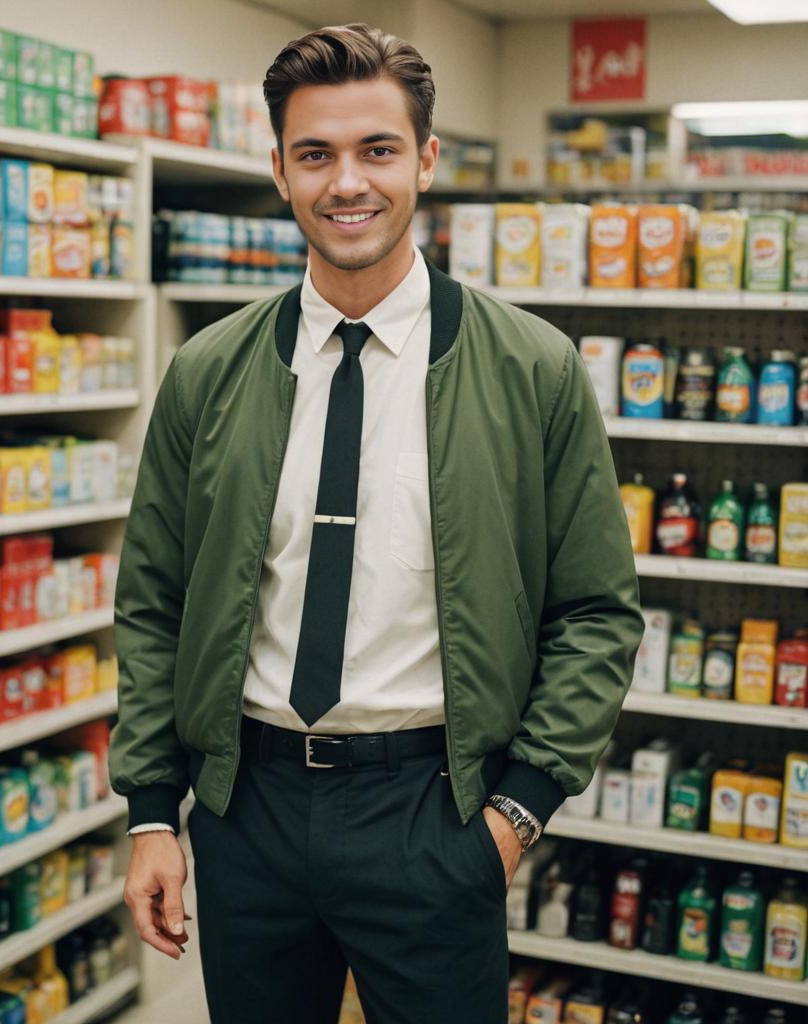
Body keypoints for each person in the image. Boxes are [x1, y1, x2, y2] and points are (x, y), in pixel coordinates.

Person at [111, 22, 643, 1024]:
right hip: (247, 809)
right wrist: (151, 811)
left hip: (432, 810)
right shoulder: (207, 372)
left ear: (426, 160)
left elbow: (595, 612)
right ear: (277, 170)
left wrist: (515, 811)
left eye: (377, 150)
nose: (345, 183)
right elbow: (153, 603)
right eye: (314, 154)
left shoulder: (533, 370)